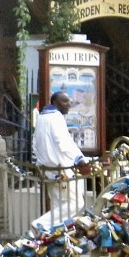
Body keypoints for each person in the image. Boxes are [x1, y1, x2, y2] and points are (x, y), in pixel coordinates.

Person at [32, 91, 90, 229]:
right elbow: (64, 142)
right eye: (65, 101)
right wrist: (79, 159)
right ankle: (40, 225)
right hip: (62, 169)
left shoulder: (41, 118)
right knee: (76, 203)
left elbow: (35, 144)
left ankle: (53, 239)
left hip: (49, 169)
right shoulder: (55, 117)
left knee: (60, 207)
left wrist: (40, 164)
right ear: (55, 102)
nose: (69, 104)